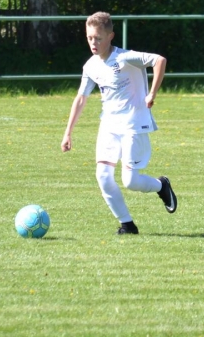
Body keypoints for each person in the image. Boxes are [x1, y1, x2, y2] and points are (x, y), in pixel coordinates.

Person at [61, 12, 177, 234]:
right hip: (109, 126)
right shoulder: (91, 66)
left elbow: (159, 60)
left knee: (130, 181)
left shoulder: (125, 57)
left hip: (133, 124)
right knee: (103, 176)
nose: (93, 43)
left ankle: (161, 185)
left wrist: (152, 93)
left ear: (110, 36)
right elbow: (81, 98)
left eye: (98, 38)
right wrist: (68, 133)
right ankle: (127, 225)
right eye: (89, 38)